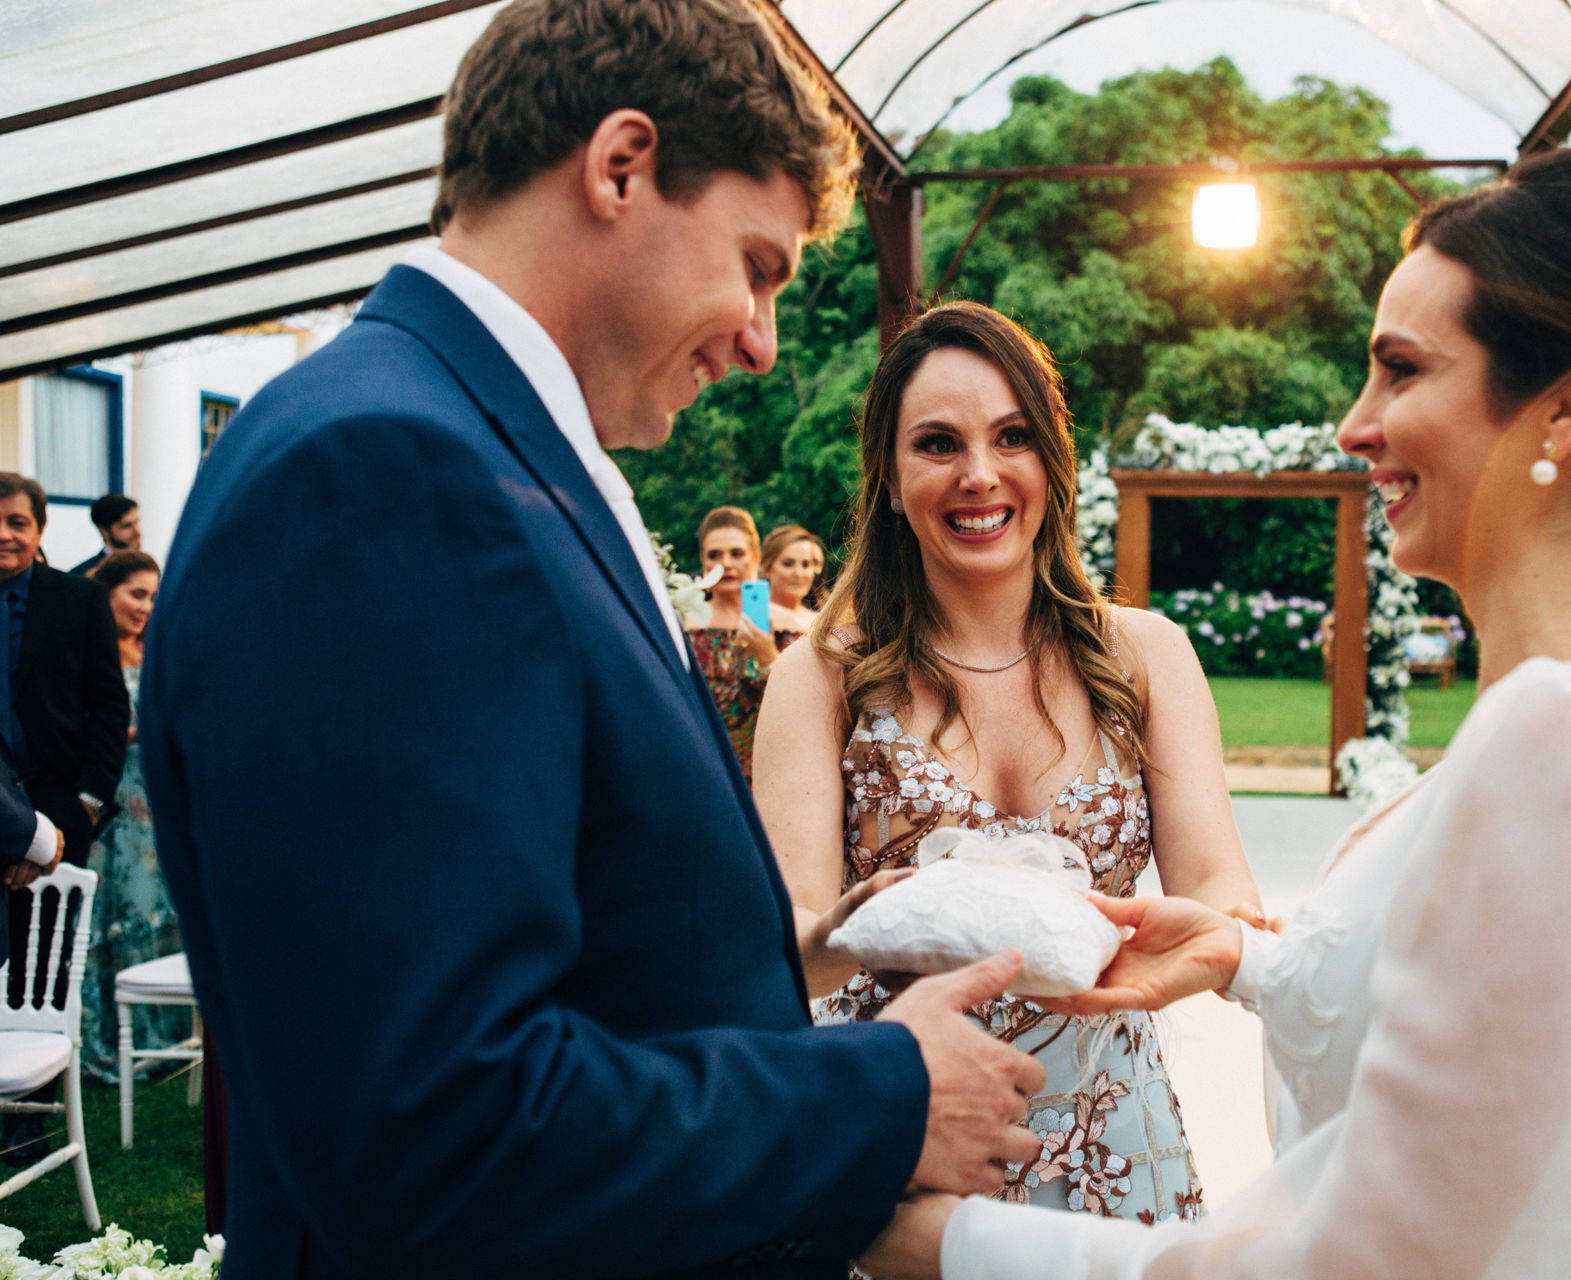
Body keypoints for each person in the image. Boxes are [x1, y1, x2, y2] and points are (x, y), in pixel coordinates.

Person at [861, 148, 1571, 1279]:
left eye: (1402, 371)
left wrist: (954, 1241)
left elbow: (1374, 1255)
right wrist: (1244, 958)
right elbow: (1504, 1051)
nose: (1355, 425)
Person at [140, 3, 1044, 1275]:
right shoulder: (384, 473)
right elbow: (436, 1125)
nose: (760, 337)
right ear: (620, 166)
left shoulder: (478, 445)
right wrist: (884, 1091)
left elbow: (556, 935)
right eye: (759, 265)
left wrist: (795, 943)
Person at [755, 301, 1265, 1228]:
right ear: (890, 473)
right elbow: (781, 952)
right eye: (938, 444)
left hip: (1115, 1135)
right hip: (905, 1142)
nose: (979, 475)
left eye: (1012, 436)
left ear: (1051, 459)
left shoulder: (1147, 654)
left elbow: (1220, 886)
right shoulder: (820, 675)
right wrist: (851, 926)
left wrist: (1200, 939)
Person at [0, 471, 129, 1163]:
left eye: (17, 522)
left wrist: (80, 807)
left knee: (37, 968)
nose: (4, 535)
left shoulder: (78, 600)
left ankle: (30, 1117)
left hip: (58, 807)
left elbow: (110, 708)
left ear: (41, 529)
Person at [77, 551, 186, 1084]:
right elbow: (78, 729)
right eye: (136, 594)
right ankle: (103, 1042)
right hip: (107, 799)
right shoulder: (86, 652)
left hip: (155, 802)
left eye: (152, 596)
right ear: (108, 593)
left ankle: (157, 1038)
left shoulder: (157, 651)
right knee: (105, 915)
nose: (146, 606)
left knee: (154, 906)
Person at [686, 505, 805, 781]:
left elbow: (804, 713)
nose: (725, 563)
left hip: (771, 771)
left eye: (736, 554)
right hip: (703, 770)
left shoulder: (791, 626)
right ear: (702, 562)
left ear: (756, 558)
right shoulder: (683, 626)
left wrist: (768, 657)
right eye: (714, 555)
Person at [761, 523, 828, 630]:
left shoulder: (819, 621)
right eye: (788, 564)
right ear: (767, 568)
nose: (798, 573)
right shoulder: (751, 616)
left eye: (806, 565)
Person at [71, 494, 141, 577]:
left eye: (137, 522)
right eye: (126, 526)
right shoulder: (82, 574)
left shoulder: (148, 568)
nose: (137, 532)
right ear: (104, 531)